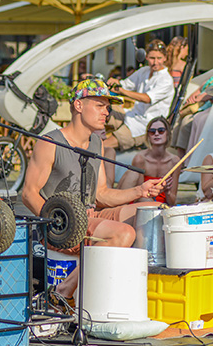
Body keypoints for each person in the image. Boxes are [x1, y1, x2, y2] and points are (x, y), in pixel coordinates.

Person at [22, 79, 162, 301]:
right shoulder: (50, 142)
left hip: (90, 216)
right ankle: (63, 290)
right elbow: (28, 193)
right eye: (99, 105)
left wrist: (140, 191)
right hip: (61, 227)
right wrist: (63, 224)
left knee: (154, 211)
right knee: (124, 233)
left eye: (107, 107)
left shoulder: (97, 144)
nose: (106, 112)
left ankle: (139, 292)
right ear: (79, 105)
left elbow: (101, 194)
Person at [105, 40, 174, 150]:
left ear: (165, 58)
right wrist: (113, 82)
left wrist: (121, 90)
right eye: (152, 58)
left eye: (159, 58)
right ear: (146, 57)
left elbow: (147, 99)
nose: (155, 62)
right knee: (102, 110)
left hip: (145, 125)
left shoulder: (166, 80)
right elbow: (126, 84)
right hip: (131, 115)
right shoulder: (144, 71)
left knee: (104, 145)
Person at [174, 56, 213, 158]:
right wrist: (193, 96)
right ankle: (180, 156)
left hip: (209, 105)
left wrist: (201, 97)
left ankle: (188, 158)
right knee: (181, 119)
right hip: (201, 104)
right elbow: (202, 86)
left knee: (190, 121)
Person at [119, 117, 180, 206]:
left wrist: (167, 191)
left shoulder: (174, 161)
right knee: (132, 173)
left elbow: (172, 202)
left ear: (167, 134)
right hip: (142, 200)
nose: (156, 134)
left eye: (161, 131)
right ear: (148, 136)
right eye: (152, 131)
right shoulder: (140, 159)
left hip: (162, 204)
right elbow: (139, 195)